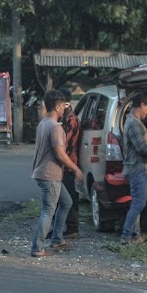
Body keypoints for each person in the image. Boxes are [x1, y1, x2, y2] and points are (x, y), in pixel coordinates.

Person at [30, 90, 83, 257]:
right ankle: (38, 248)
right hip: (50, 175)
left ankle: (57, 239)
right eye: (64, 106)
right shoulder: (55, 128)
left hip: (46, 174)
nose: (65, 109)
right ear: (58, 107)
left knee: (66, 202)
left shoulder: (43, 124)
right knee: (48, 211)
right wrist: (76, 168)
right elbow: (60, 154)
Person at [120, 95, 147, 245]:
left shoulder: (133, 122)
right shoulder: (134, 123)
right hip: (138, 167)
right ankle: (126, 235)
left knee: (137, 201)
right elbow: (143, 148)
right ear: (143, 104)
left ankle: (135, 235)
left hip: (137, 167)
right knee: (139, 202)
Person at [59, 87, 82, 238]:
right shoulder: (65, 118)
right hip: (65, 163)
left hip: (68, 163)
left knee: (70, 197)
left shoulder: (71, 119)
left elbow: (64, 142)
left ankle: (73, 228)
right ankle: (64, 227)